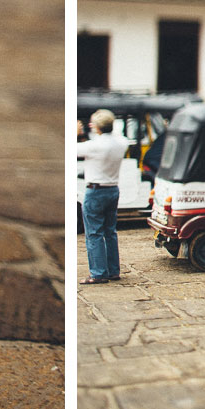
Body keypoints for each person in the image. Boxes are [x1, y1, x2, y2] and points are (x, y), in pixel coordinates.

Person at [77, 110, 127, 284]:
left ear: (96, 127)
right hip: (113, 189)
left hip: (95, 191)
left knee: (94, 233)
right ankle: (113, 270)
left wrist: (76, 133)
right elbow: (114, 136)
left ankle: (98, 273)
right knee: (110, 232)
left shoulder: (94, 145)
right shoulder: (122, 142)